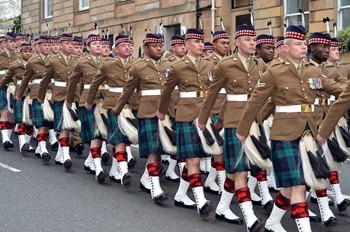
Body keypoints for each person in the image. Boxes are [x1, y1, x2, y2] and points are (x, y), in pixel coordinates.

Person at [236, 25, 343, 232]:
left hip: (308, 134)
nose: (303, 47)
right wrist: (243, 131)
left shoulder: (313, 70)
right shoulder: (274, 72)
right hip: (284, 134)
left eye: (304, 43)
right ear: (286, 46)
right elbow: (255, 103)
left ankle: (272, 222)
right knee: (299, 186)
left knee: (289, 188)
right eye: (298, 44)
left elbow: (337, 88)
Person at [198, 24, 265, 229]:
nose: (252, 42)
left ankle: (222, 207)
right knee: (242, 170)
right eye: (247, 39)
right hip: (235, 121)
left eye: (253, 39)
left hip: (255, 120)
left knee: (235, 172)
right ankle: (250, 217)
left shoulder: (258, 63)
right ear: (237, 43)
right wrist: (203, 120)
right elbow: (212, 94)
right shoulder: (225, 65)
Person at [156, 28, 215, 216]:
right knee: (193, 159)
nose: (201, 45)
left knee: (195, 159)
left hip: (204, 115)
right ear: (187, 44)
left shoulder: (209, 65)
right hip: (186, 115)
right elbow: (167, 91)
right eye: (196, 42)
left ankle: (181, 194)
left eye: (202, 41)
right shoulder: (177, 66)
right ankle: (201, 200)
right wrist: (162, 112)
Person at [113, 33, 169, 204]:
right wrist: (117, 111)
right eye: (155, 46)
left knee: (160, 151)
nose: (159, 48)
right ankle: (155, 188)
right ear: (145, 49)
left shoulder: (170, 64)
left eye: (161, 45)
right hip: (147, 112)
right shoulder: (137, 67)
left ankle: (147, 179)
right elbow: (127, 91)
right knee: (153, 151)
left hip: (166, 113)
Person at [86, 34, 133, 188]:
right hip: (112, 104)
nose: (128, 47)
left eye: (130, 44)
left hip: (132, 105)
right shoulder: (108, 65)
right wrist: (89, 101)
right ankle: (121, 171)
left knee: (125, 139)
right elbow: (95, 84)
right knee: (112, 138)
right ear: (116, 49)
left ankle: (115, 169)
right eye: (124, 45)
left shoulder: (138, 64)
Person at [66, 34, 109, 183]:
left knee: (102, 135)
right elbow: (73, 83)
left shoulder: (109, 61)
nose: (98, 45)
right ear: (88, 47)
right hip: (88, 102)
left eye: (100, 43)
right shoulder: (82, 63)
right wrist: (70, 100)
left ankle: (89, 161)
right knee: (94, 135)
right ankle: (98, 169)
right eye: (94, 43)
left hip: (105, 101)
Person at [37, 33, 76, 171]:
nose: (70, 45)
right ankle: (66, 156)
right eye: (67, 43)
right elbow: (45, 81)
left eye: (72, 43)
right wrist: (41, 97)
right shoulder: (53, 61)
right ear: (60, 46)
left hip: (73, 97)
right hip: (59, 97)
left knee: (69, 127)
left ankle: (61, 155)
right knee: (63, 127)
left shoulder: (77, 60)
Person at [16, 35, 52, 162]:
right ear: (38, 47)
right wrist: (20, 95)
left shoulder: (54, 60)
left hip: (53, 94)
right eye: (44, 45)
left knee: (48, 124)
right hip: (37, 94)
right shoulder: (33, 61)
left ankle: (38, 147)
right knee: (41, 122)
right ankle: (43, 149)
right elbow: (25, 79)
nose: (47, 47)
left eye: (49, 45)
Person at [0, 43, 33, 154]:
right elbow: (6, 78)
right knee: (20, 119)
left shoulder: (36, 63)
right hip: (19, 92)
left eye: (29, 51)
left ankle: (27, 143)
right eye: (25, 51)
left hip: (33, 93)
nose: (27, 53)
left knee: (31, 121)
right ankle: (21, 142)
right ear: (21, 52)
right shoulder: (15, 65)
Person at [0, 32, 20, 150]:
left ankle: (8, 136)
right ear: (6, 43)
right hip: (2, 86)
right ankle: (5, 138)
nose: (13, 44)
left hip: (15, 88)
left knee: (12, 115)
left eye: (14, 42)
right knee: (4, 112)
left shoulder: (18, 55)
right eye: (10, 42)